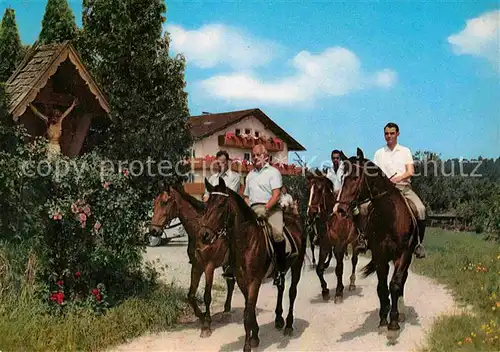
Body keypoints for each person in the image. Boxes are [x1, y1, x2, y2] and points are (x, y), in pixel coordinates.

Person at [356, 122, 426, 258]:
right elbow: (373, 174)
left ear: (397, 134)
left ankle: (418, 244)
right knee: (364, 208)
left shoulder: (405, 151)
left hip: (403, 188)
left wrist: (397, 178)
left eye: (392, 133)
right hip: (383, 192)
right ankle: (363, 240)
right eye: (386, 134)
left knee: (421, 209)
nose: (389, 136)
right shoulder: (379, 153)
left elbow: (410, 171)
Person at [244, 144, 286, 286]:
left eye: (258, 155)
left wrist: (266, 208)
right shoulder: (250, 175)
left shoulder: (273, 172)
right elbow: (246, 196)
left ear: (266, 157)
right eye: (253, 155)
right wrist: (249, 208)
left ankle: (280, 270)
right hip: (253, 209)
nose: (255, 158)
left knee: (277, 233)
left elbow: (276, 195)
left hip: (271, 209)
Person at [203, 150, 241, 280]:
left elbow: (231, 196)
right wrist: (206, 199)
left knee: (232, 234)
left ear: (227, 163)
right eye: (218, 163)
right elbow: (206, 195)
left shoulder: (234, 177)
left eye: (223, 162)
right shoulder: (212, 178)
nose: (220, 165)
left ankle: (232, 264)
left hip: (227, 213)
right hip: (214, 212)